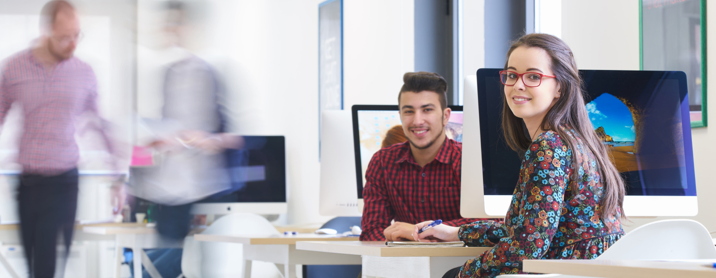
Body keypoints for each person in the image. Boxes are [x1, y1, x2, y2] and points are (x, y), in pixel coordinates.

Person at [414, 33, 626, 277]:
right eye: (512, 75)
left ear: (560, 87)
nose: (518, 85)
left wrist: (464, 273)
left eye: (533, 76)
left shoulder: (550, 146)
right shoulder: (577, 140)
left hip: (567, 271)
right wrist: (457, 233)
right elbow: (529, 228)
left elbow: (527, 247)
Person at [0, 1, 120, 277]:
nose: (73, 43)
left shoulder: (83, 73)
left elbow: (100, 125)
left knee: (48, 267)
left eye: (77, 35)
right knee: (35, 267)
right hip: (28, 184)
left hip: (64, 182)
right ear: (47, 31)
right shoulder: (15, 69)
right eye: (65, 37)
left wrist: (117, 178)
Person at [360, 71, 483, 241]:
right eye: (409, 112)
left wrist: (420, 231)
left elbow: (488, 224)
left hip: (462, 263)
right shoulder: (382, 162)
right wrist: (414, 237)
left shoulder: (470, 161)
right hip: (405, 263)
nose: (417, 121)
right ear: (401, 117)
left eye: (427, 110)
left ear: (445, 116)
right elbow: (371, 231)